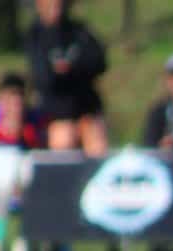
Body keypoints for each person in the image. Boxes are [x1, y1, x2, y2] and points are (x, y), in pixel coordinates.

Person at [26, 0, 109, 155]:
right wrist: (63, 73)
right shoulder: (35, 36)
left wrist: (72, 69)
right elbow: (44, 78)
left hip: (86, 109)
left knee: (97, 144)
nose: (56, 8)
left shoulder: (79, 31)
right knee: (63, 141)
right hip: (56, 115)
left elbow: (99, 62)